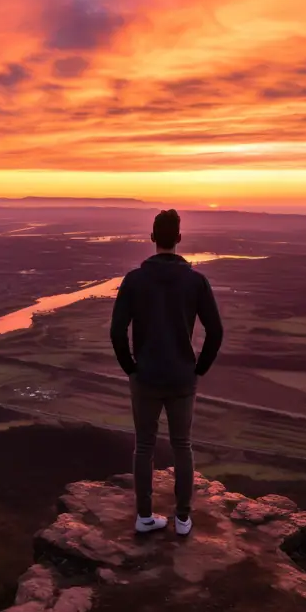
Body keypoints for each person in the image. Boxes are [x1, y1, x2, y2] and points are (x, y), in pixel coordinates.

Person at [110, 208, 223, 536]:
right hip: (181, 377)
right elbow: (215, 331)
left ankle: (144, 517)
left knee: (144, 445)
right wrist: (198, 368)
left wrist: (130, 367)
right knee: (182, 445)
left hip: (145, 375)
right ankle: (183, 519)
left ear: (152, 238)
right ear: (178, 239)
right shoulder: (196, 281)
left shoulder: (134, 280)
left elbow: (117, 332)